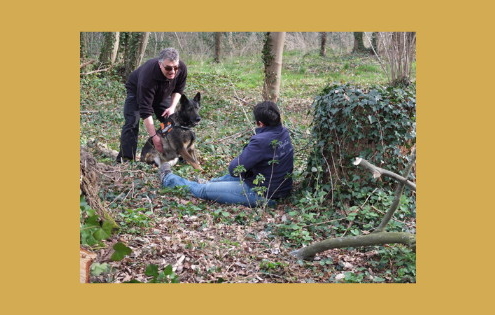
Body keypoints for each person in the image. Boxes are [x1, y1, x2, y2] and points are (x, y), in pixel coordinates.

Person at [158, 101, 294, 207]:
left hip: (262, 194)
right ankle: (212, 183)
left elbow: (234, 169)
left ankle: (169, 180)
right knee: (220, 181)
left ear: (260, 123)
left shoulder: (261, 141)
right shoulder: (284, 133)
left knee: (203, 190)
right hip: (278, 188)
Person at [116, 48, 188, 162]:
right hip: (136, 92)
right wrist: (155, 137)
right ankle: (126, 158)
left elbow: (179, 90)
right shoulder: (148, 76)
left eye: (176, 67)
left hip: (161, 94)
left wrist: (172, 107)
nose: (173, 71)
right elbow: (145, 110)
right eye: (168, 68)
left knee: (172, 121)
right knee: (132, 122)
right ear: (160, 64)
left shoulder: (182, 68)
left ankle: (176, 153)